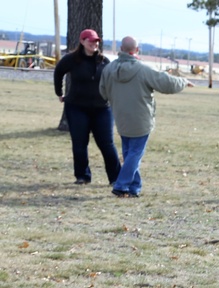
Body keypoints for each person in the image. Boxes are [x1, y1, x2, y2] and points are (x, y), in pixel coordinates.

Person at [98, 35, 192, 198]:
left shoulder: (108, 69)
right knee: (135, 153)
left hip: (121, 117)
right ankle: (121, 185)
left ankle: (134, 188)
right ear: (136, 50)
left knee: (129, 153)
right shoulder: (143, 69)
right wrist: (183, 81)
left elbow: (103, 92)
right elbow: (166, 83)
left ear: (121, 49)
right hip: (141, 119)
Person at [53, 29, 121, 186]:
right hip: (77, 107)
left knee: (107, 143)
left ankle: (116, 178)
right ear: (82, 41)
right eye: (91, 41)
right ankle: (82, 176)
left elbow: (113, 81)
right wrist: (59, 92)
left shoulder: (104, 61)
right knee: (79, 143)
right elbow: (58, 72)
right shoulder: (71, 59)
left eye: (97, 41)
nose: (94, 44)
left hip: (102, 108)